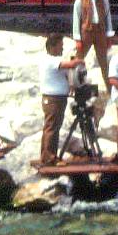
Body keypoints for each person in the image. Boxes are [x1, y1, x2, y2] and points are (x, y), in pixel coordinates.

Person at [39, 33, 85, 166]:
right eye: (61, 45)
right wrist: (79, 59)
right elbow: (70, 64)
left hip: (57, 98)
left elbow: (65, 73)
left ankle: (47, 155)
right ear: (53, 46)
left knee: (52, 127)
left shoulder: (54, 60)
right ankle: (49, 157)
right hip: (53, 99)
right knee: (51, 128)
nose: (62, 49)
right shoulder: (50, 60)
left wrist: (71, 85)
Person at [72, 0, 114, 87]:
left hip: (100, 31)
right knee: (79, 58)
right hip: (86, 32)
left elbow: (107, 17)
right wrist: (77, 38)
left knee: (104, 61)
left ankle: (110, 89)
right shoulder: (80, 0)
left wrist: (109, 35)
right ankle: (75, 85)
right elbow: (76, 19)